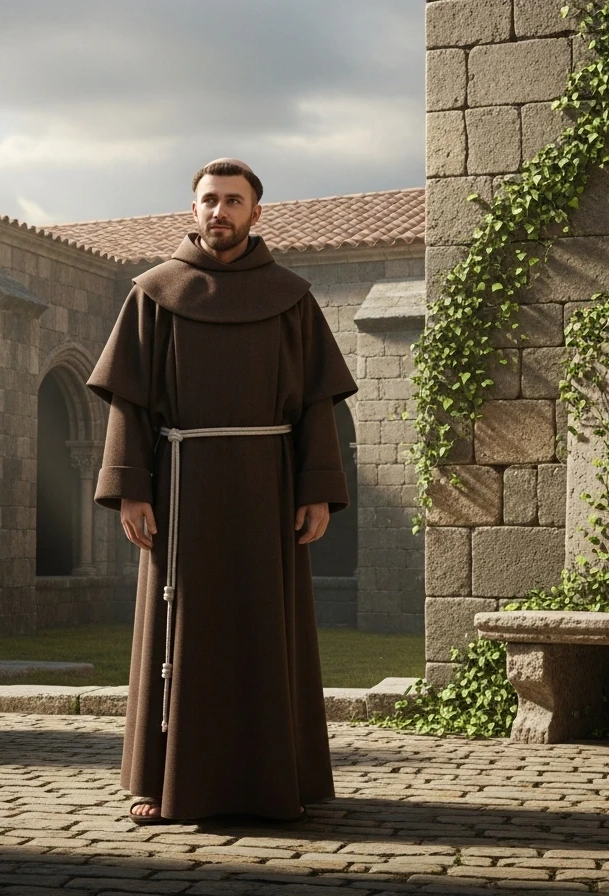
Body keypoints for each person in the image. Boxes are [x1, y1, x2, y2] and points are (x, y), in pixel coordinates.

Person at [86, 158, 357, 825]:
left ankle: (277, 783)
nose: (219, 211)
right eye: (209, 200)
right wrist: (129, 487)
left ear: (256, 213)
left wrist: (316, 488)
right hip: (181, 488)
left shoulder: (291, 297)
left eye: (233, 201)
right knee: (178, 630)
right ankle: (159, 781)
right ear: (194, 209)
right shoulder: (153, 293)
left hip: (267, 488)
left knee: (267, 628)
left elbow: (318, 404)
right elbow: (129, 404)